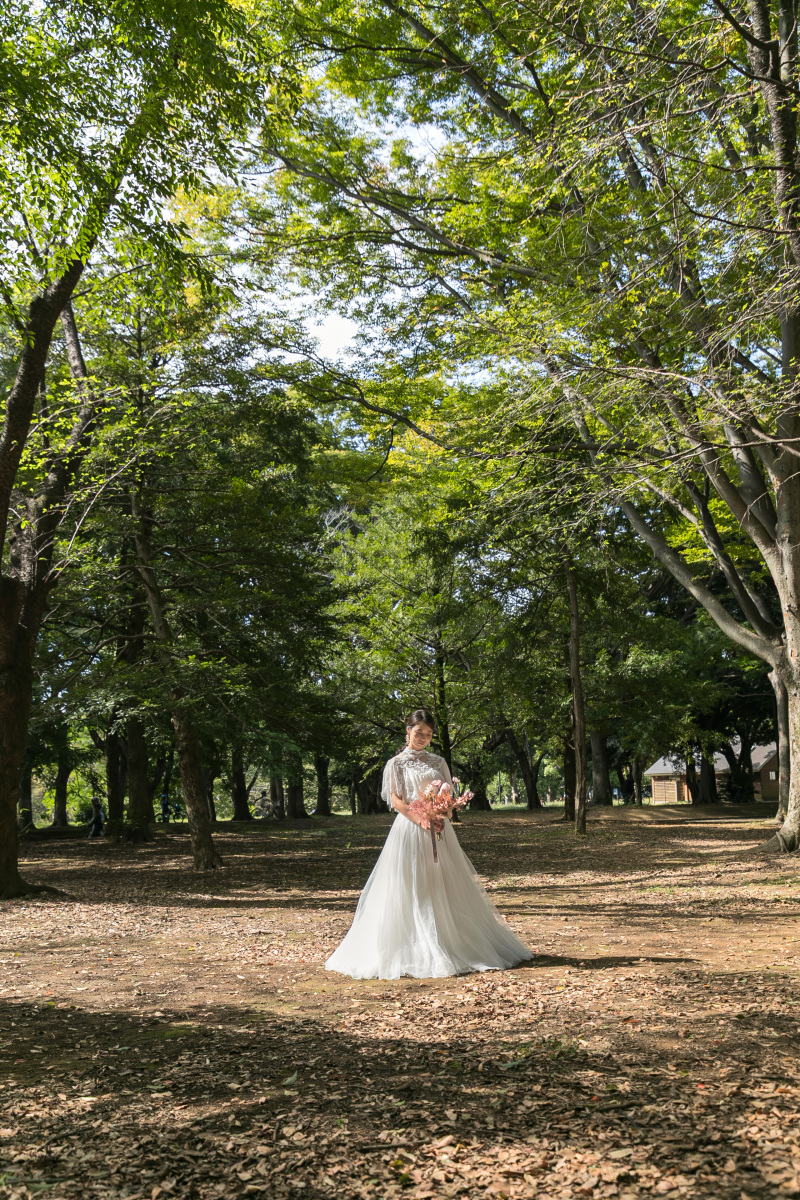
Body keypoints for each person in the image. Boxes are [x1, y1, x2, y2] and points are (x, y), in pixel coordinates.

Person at [325, 708, 533, 980]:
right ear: (407, 732)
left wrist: (442, 812)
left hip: (439, 830)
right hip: (410, 829)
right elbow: (397, 799)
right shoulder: (396, 763)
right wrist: (419, 819)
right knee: (410, 883)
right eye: (418, 732)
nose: (423, 737)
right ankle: (411, 945)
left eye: (429, 734)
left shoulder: (438, 761)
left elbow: (449, 793)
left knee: (443, 881)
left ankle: (452, 940)